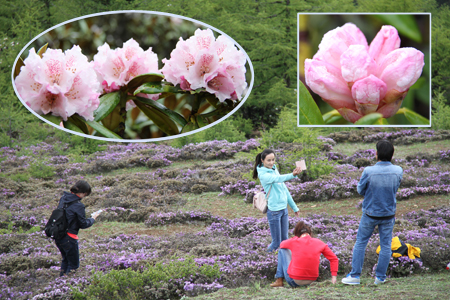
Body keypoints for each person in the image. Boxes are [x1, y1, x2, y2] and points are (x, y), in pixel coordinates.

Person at [342, 140, 403, 285]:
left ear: (377, 154)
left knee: (361, 243)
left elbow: (360, 190)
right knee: (386, 245)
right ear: (392, 154)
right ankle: (380, 278)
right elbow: (396, 188)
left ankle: (355, 276)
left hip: (370, 213)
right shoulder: (398, 170)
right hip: (388, 214)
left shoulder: (368, 171)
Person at [253, 149, 301, 252]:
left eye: (273, 160)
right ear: (262, 160)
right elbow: (278, 179)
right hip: (274, 211)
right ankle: (264, 258)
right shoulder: (263, 174)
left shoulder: (274, 169)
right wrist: (292, 175)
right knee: (276, 242)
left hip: (284, 209)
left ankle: (284, 262)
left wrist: (294, 207)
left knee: (285, 241)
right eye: (268, 160)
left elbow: (284, 189)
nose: (271, 163)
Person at [270, 221, 339, 287]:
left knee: (282, 250)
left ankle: (279, 280)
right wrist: (334, 277)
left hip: (294, 281)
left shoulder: (294, 241)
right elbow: (334, 259)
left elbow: (282, 245)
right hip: (312, 281)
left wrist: (295, 238)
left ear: (297, 234)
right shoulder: (319, 242)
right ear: (310, 233)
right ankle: (280, 280)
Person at [55, 180, 101, 276]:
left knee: (66, 260)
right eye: (85, 194)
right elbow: (83, 224)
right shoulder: (78, 205)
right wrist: (93, 218)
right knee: (73, 266)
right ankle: (67, 285)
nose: (84, 197)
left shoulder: (63, 198)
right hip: (69, 237)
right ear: (83, 193)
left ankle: (60, 282)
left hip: (58, 235)